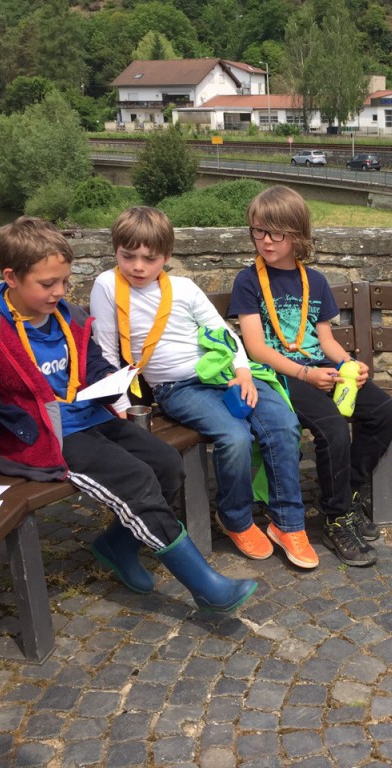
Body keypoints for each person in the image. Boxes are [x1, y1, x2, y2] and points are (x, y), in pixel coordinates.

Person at [0, 216, 256, 614]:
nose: (59, 292)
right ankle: (205, 587)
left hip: (92, 417)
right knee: (135, 478)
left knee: (167, 463)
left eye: (65, 282)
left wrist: (110, 382)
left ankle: (117, 545)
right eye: (48, 284)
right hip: (46, 437)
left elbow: (93, 363)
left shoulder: (67, 316)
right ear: (11, 277)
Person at [90, 206, 319, 570]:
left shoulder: (182, 287)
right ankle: (235, 517)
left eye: (150, 259)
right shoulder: (107, 285)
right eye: (127, 256)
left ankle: (288, 523)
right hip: (178, 388)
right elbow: (104, 351)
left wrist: (243, 371)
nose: (138, 267)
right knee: (235, 437)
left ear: (167, 256)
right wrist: (118, 406)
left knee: (283, 424)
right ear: (115, 251)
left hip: (224, 374)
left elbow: (223, 332)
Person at [230, 186, 392, 567]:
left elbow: (325, 340)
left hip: (319, 367)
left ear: (297, 234)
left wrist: (348, 364)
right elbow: (256, 347)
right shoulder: (248, 280)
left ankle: (348, 493)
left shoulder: (315, 280)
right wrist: (306, 375)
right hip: (281, 375)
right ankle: (336, 518)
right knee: (333, 428)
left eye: (277, 233)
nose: (266, 241)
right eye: (259, 231)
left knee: (386, 412)